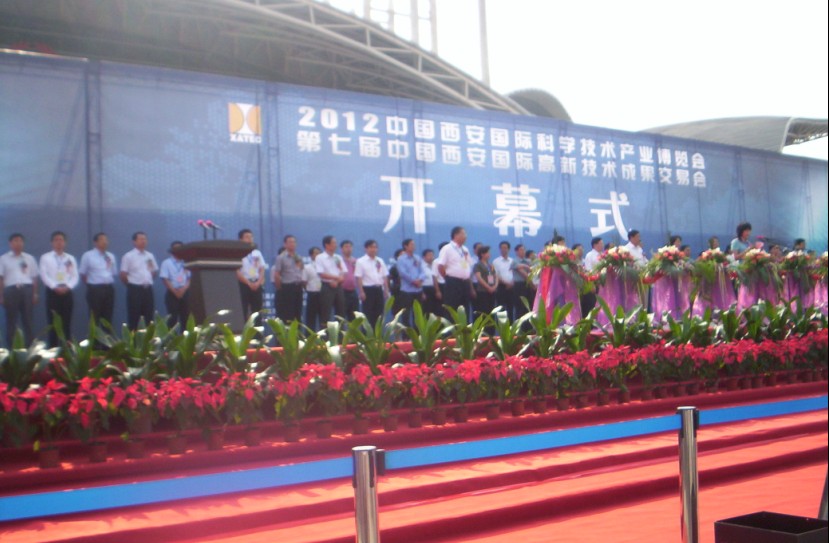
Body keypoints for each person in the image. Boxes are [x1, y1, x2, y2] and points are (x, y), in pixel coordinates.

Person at [39, 231, 78, 346]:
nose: (59, 242)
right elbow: (44, 275)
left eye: (61, 240)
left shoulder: (70, 258)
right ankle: (53, 349)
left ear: (65, 242)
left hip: (67, 292)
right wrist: (54, 287)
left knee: (67, 321)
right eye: (56, 240)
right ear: (52, 243)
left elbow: (75, 276)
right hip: (52, 292)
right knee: (53, 322)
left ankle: (67, 351)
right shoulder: (45, 257)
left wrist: (68, 287)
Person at [0, 233, 39, 346]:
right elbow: (1, 278)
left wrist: (35, 294)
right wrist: (1, 296)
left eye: (20, 241)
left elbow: (34, 277)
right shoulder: (3, 259)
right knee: (11, 322)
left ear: (23, 243)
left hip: (27, 290)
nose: (18, 243)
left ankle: (30, 349)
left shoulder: (29, 258)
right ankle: (12, 351)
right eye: (15, 241)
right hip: (10, 291)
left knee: (28, 321)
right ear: (10, 243)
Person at [120, 231, 158, 330]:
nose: (143, 241)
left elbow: (153, 271)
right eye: (141, 239)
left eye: (145, 239)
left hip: (148, 289)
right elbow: (123, 275)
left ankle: (148, 339)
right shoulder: (128, 256)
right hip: (135, 290)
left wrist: (146, 280)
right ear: (134, 242)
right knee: (134, 317)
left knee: (149, 316)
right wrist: (132, 285)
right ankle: (134, 339)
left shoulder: (150, 256)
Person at [79, 232, 117, 329]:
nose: (105, 242)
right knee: (94, 318)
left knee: (108, 318)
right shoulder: (88, 255)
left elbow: (113, 272)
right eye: (102, 240)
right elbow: (83, 273)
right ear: (95, 242)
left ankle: (107, 339)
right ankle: (95, 339)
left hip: (109, 289)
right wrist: (91, 285)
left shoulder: (110, 256)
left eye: (106, 240)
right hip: (95, 290)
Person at [436, 226, 474, 315]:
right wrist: (447, 277)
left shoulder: (465, 249)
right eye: (463, 234)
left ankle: (464, 324)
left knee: (465, 309)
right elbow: (440, 266)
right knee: (452, 308)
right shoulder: (447, 248)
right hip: (453, 283)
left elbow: (468, 264)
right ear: (456, 235)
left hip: (465, 283)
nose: (466, 236)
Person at [355, 239, 389, 325]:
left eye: (375, 247)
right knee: (368, 314)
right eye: (371, 247)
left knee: (379, 314)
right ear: (366, 249)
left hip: (379, 290)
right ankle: (368, 333)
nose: (373, 249)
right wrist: (361, 291)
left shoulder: (380, 261)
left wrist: (386, 290)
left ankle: (378, 333)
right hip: (367, 290)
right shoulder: (360, 261)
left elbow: (384, 276)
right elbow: (359, 277)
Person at [236, 229, 267, 324]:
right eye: (247, 237)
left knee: (257, 311)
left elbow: (262, 269)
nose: (250, 239)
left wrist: (258, 282)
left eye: (251, 237)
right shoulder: (237, 252)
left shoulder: (257, 252)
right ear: (240, 240)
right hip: (243, 284)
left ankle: (258, 332)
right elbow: (236, 271)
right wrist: (248, 283)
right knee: (243, 310)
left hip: (256, 283)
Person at [159, 241, 191, 329]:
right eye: (176, 249)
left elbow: (190, 278)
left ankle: (185, 336)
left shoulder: (187, 262)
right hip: (172, 293)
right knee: (172, 318)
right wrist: (175, 291)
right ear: (172, 250)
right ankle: (171, 337)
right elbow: (165, 279)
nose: (178, 251)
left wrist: (184, 289)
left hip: (185, 292)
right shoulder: (166, 263)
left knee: (186, 317)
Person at [273, 234, 304, 322]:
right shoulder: (281, 257)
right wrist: (280, 288)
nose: (292, 244)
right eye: (290, 242)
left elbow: (301, 270)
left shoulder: (298, 257)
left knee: (297, 312)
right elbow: (277, 274)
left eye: (294, 242)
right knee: (287, 313)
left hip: (298, 286)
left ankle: (297, 330)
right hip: (287, 287)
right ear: (285, 244)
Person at [396, 238, 427, 326]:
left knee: (418, 314)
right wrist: (414, 281)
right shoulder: (401, 259)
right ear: (405, 246)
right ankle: (406, 333)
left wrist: (419, 279)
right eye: (411, 244)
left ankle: (417, 332)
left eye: (414, 244)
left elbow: (423, 272)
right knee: (406, 314)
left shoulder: (417, 258)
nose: (414, 246)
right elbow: (403, 273)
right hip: (407, 291)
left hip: (418, 291)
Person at [316, 235, 346, 321]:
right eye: (333, 243)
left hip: (338, 286)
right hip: (327, 287)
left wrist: (337, 281)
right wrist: (336, 277)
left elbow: (344, 272)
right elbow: (321, 273)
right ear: (327, 245)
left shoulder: (338, 257)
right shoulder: (320, 257)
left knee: (341, 311)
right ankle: (325, 330)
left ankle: (340, 330)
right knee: (325, 311)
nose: (336, 245)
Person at [492, 241, 515, 321]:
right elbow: (495, 275)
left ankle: (511, 326)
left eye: (505, 248)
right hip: (501, 287)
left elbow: (515, 274)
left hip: (512, 287)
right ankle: (501, 326)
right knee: (501, 309)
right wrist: (505, 283)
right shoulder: (495, 261)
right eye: (502, 248)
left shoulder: (512, 261)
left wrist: (511, 283)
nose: (504, 250)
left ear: (508, 249)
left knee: (510, 308)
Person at [473, 245, 498, 316]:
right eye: (487, 252)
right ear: (482, 254)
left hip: (492, 290)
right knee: (483, 310)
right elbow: (479, 278)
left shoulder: (490, 266)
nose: (489, 254)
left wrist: (495, 286)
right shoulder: (478, 265)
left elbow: (495, 276)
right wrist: (488, 287)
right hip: (483, 291)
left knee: (491, 311)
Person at [303, 247, 323, 330]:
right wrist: (309, 290)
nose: (318, 255)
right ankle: (310, 336)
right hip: (312, 294)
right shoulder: (307, 267)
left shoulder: (325, 267)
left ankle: (325, 337)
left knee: (324, 318)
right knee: (311, 318)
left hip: (324, 294)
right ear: (311, 256)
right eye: (316, 253)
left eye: (319, 253)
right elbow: (304, 282)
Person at [340, 240, 359, 320]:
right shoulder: (338, 261)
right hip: (341, 291)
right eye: (346, 247)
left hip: (353, 291)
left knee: (354, 316)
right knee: (341, 316)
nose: (348, 249)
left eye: (350, 247)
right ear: (341, 249)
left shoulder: (356, 261)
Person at [512, 244, 533, 316]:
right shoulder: (514, 261)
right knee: (520, 307)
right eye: (521, 250)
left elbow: (532, 271)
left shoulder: (528, 261)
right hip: (519, 286)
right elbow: (524, 274)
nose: (523, 251)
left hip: (528, 285)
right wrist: (532, 284)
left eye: (524, 250)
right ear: (516, 252)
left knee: (529, 306)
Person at [421, 248, 442, 318]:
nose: (431, 257)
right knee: (426, 310)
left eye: (432, 255)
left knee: (436, 310)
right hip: (425, 289)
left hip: (435, 288)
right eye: (429, 255)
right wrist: (422, 292)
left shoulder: (435, 265)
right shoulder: (420, 267)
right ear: (424, 257)